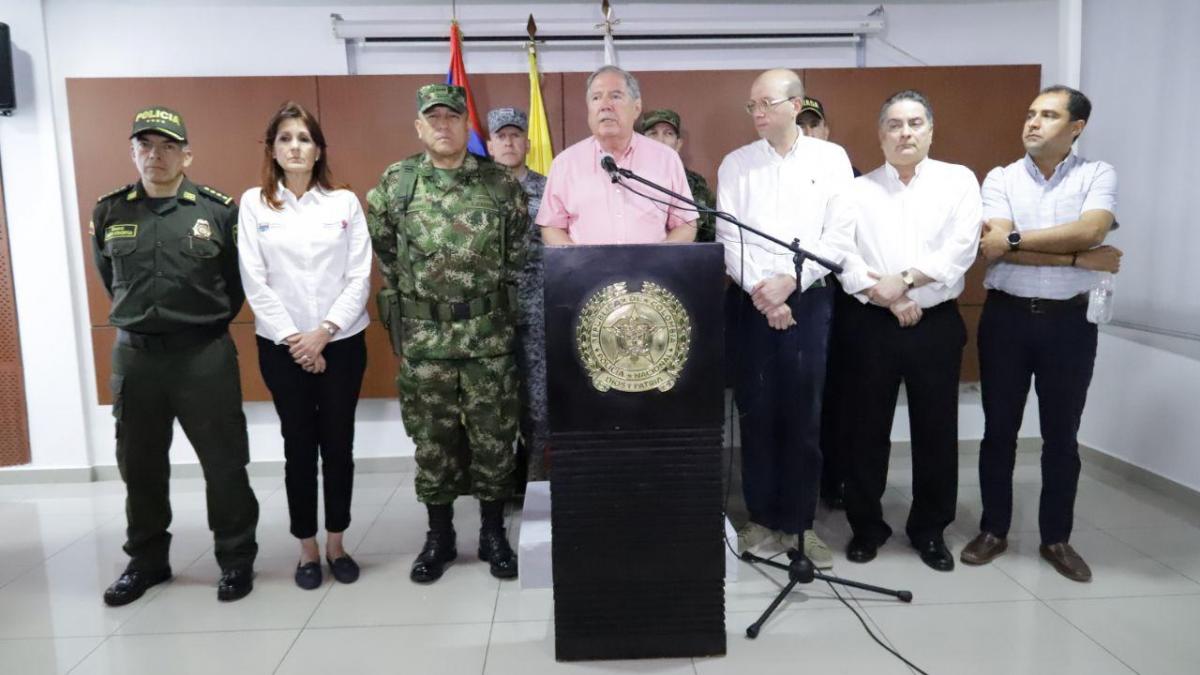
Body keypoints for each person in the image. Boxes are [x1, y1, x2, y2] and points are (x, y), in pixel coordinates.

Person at [91, 106, 258, 605]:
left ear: (187, 153)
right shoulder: (110, 211)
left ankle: (234, 560)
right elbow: (109, 280)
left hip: (201, 353)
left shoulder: (217, 211)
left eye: (166, 146)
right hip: (137, 357)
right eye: (144, 145)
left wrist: (200, 322)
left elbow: (235, 284)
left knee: (224, 464)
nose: (155, 155)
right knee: (139, 466)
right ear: (132, 152)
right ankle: (146, 562)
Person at [367, 84, 529, 583]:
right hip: (426, 341)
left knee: (495, 439)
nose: (442, 125)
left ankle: (492, 533)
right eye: (432, 117)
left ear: (466, 125)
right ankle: (439, 536)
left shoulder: (501, 184)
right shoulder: (396, 185)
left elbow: (518, 254)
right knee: (432, 442)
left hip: (488, 340)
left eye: (452, 117)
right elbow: (387, 252)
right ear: (419, 126)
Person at [964, 85, 1122, 582]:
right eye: (1031, 113)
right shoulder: (1001, 177)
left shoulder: (1097, 174)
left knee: (1062, 438)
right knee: (999, 432)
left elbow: (1091, 230)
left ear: (1076, 128)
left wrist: (1017, 239)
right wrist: (1075, 257)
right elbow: (994, 248)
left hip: (1070, 324)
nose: (1032, 122)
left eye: (1048, 115)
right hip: (1006, 319)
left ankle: (1056, 538)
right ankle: (993, 530)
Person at [716, 69, 856, 569]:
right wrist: (766, 295)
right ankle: (759, 515)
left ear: (795, 105)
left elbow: (839, 233)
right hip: (753, 303)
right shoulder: (736, 164)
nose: (756, 113)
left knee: (802, 417)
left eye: (766, 104)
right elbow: (729, 236)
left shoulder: (831, 158)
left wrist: (792, 284)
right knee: (756, 413)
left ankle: (799, 524)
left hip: (810, 300)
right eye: (751, 105)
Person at [837, 90, 982, 571]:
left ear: (930, 131)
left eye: (915, 123)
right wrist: (888, 295)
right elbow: (844, 255)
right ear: (880, 135)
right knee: (865, 432)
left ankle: (930, 530)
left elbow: (960, 249)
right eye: (895, 125)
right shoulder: (855, 190)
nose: (905, 133)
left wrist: (909, 286)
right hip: (870, 322)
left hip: (934, 322)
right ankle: (866, 527)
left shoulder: (957, 181)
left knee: (936, 431)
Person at [237, 101, 371, 590]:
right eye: (285, 139)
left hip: (342, 342)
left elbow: (359, 276)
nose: (295, 147)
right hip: (281, 347)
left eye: (304, 138)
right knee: (299, 447)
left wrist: (324, 332)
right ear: (273, 149)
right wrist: (297, 339)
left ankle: (336, 543)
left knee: (339, 445)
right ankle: (306, 549)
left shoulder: (344, 203)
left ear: (318, 150)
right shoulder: (254, 204)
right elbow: (255, 280)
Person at [538, 66, 697, 245]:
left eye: (615, 96)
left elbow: (686, 224)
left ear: (636, 108)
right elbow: (551, 226)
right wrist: (579, 265)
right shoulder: (565, 163)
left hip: (651, 272)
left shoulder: (666, 159)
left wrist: (656, 262)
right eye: (596, 97)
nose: (605, 106)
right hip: (588, 271)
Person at [485, 107, 549, 486]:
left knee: (540, 404)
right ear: (490, 145)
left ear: (527, 142)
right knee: (493, 402)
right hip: (491, 316)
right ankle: (501, 482)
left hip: (539, 312)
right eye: (501, 136)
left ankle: (538, 479)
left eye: (515, 135)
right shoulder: (475, 193)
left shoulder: (550, 188)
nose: (509, 142)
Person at [640, 108, 717, 242]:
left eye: (668, 134)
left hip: (687, 259)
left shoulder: (696, 184)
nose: (660, 140)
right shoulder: (628, 180)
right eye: (653, 133)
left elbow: (711, 235)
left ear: (678, 144)